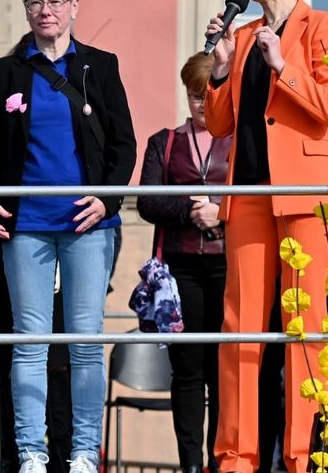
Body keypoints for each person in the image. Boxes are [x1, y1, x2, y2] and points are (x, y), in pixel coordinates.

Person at [0, 0, 137, 473]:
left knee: (86, 340)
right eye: (36, 3)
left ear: (73, 6)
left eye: (55, 1)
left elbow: (123, 145)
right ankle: (32, 452)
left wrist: (107, 200)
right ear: (27, 9)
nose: (46, 11)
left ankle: (85, 452)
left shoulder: (99, 66)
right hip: (26, 223)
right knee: (30, 341)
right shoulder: (5, 72)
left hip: (89, 222)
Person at [203, 0, 328, 473]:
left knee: (304, 329)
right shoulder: (242, 37)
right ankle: (236, 456)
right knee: (239, 328)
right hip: (247, 197)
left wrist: (283, 67)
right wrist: (220, 68)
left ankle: (301, 454)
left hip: (306, 198)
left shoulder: (324, 26)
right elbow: (221, 123)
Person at [137, 53, 233, 473]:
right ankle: (190, 463)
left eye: (206, 94)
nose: (200, 103)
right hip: (180, 266)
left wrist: (221, 210)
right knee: (188, 368)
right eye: (194, 95)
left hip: (229, 263)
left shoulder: (240, 141)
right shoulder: (165, 141)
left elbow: (258, 196)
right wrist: (190, 211)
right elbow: (147, 201)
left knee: (223, 369)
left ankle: (221, 458)